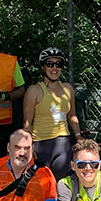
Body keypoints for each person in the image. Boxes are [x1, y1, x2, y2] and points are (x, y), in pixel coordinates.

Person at [21, 47, 80, 176]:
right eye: (50, 64)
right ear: (43, 67)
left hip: (62, 142)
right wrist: (28, 146)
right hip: (40, 143)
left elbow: (72, 116)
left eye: (58, 64)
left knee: (60, 183)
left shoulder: (68, 89)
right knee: (42, 184)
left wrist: (78, 137)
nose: (54, 68)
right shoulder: (34, 90)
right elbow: (27, 123)